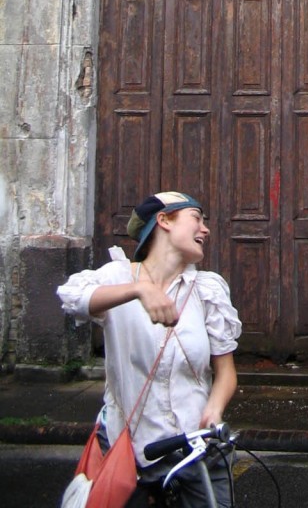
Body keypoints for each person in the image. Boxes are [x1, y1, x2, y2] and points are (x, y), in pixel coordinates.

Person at [58, 192, 242, 507]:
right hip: (129, 448)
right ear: (164, 220)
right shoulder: (117, 277)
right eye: (197, 218)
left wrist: (214, 409)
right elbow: (71, 298)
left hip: (195, 449)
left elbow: (226, 372)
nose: (206, 229)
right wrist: (138, 289)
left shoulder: (207, 290)